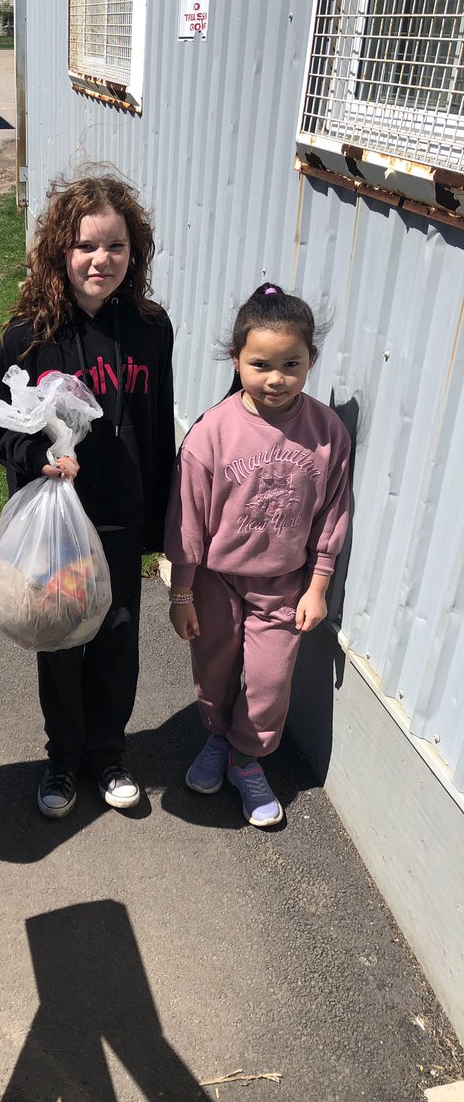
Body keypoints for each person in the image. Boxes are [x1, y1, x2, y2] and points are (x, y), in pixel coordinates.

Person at [0, 175, 175, 819]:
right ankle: (64, 760)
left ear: (135, 251)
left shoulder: (152, 329)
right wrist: (42, 457)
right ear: (60, 250)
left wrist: (160, 521)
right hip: (59, 526)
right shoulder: (28, 336)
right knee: (63, 643)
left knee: (119, 639)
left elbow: (157, 426)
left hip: (121, 520)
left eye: (116, 247)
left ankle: (109, 755)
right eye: (86, 246)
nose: (101, 261)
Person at [164, 283, 351, 827]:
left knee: (269, 681)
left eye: (291, 364)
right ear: (236, 360)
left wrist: (318, 584)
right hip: (215, 582)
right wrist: (181, 592)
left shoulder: (326, 434)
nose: (276, 378)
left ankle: (249, 758)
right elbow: (187, 519)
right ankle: (218, 738)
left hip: (284, 584)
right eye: (260, 364)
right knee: (214, 670)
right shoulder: (213, 432)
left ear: (311, 360)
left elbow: (333, 515)